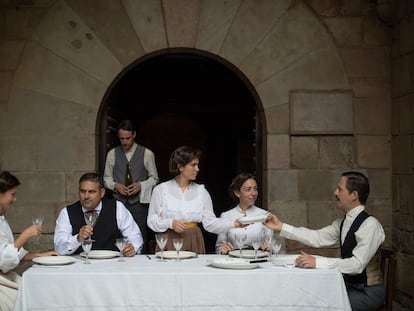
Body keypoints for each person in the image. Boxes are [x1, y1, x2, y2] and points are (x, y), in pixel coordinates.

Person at [264, 171, 385, 311]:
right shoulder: (342, 223)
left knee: (320, 305)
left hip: (367, 292)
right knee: (307, 298)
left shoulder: (370, 225)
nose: (335, 192)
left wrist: (317, 262)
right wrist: (281, 227)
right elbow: (317, 237)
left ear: (354, 195)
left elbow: (357, 264)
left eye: (340, 189)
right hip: (346, 286)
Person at [147, 146, 243, 253]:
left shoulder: (201, 191)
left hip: (194, 239)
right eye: (193, 165)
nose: (197, 169)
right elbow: (151, 220)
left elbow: (209, 223)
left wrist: (233, 224)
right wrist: (170, 223)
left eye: (197, 165)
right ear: (180, 167)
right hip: (169, 239)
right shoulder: (161, 190)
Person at [0, 171, 58, 311]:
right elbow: (3, 261)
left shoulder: (2, 218)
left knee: (38, 293)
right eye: (12, 194)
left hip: (7, 277)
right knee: (29, 301)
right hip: (2, 280)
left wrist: (41, 256)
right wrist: (24, 236)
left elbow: (13, 251)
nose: (15, 199)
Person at [54, 172, 143, 256]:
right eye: (82, 191)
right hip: (79, 266)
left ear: (102, 193)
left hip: (112, 265)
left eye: (91, 192)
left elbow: (135, 237)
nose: (86, 196)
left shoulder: (117, 208)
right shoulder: (67, 212)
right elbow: (59, 248)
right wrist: (77, 239)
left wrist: (133, 247)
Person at [104, 120, 159, 254]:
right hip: (118, 202)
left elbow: (154, 178)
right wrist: (115, 185)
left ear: (134, 135)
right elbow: (106, 178)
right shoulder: (112, 154)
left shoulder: (147, 154)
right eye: (121, 138)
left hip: (139, 204)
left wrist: (141, 185)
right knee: (116, 234)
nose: (124, 142)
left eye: (127, 138)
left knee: (140, 235)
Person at [216, 172, 273, 254]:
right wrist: (222, 249)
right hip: (233, 262)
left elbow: (271, 244)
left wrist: (269, 248)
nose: (253, 193)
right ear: (237, 193)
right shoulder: (226, 216)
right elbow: (219, 247)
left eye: (255, 189)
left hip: (258, 260)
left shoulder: (265, 215)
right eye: (248, 189)